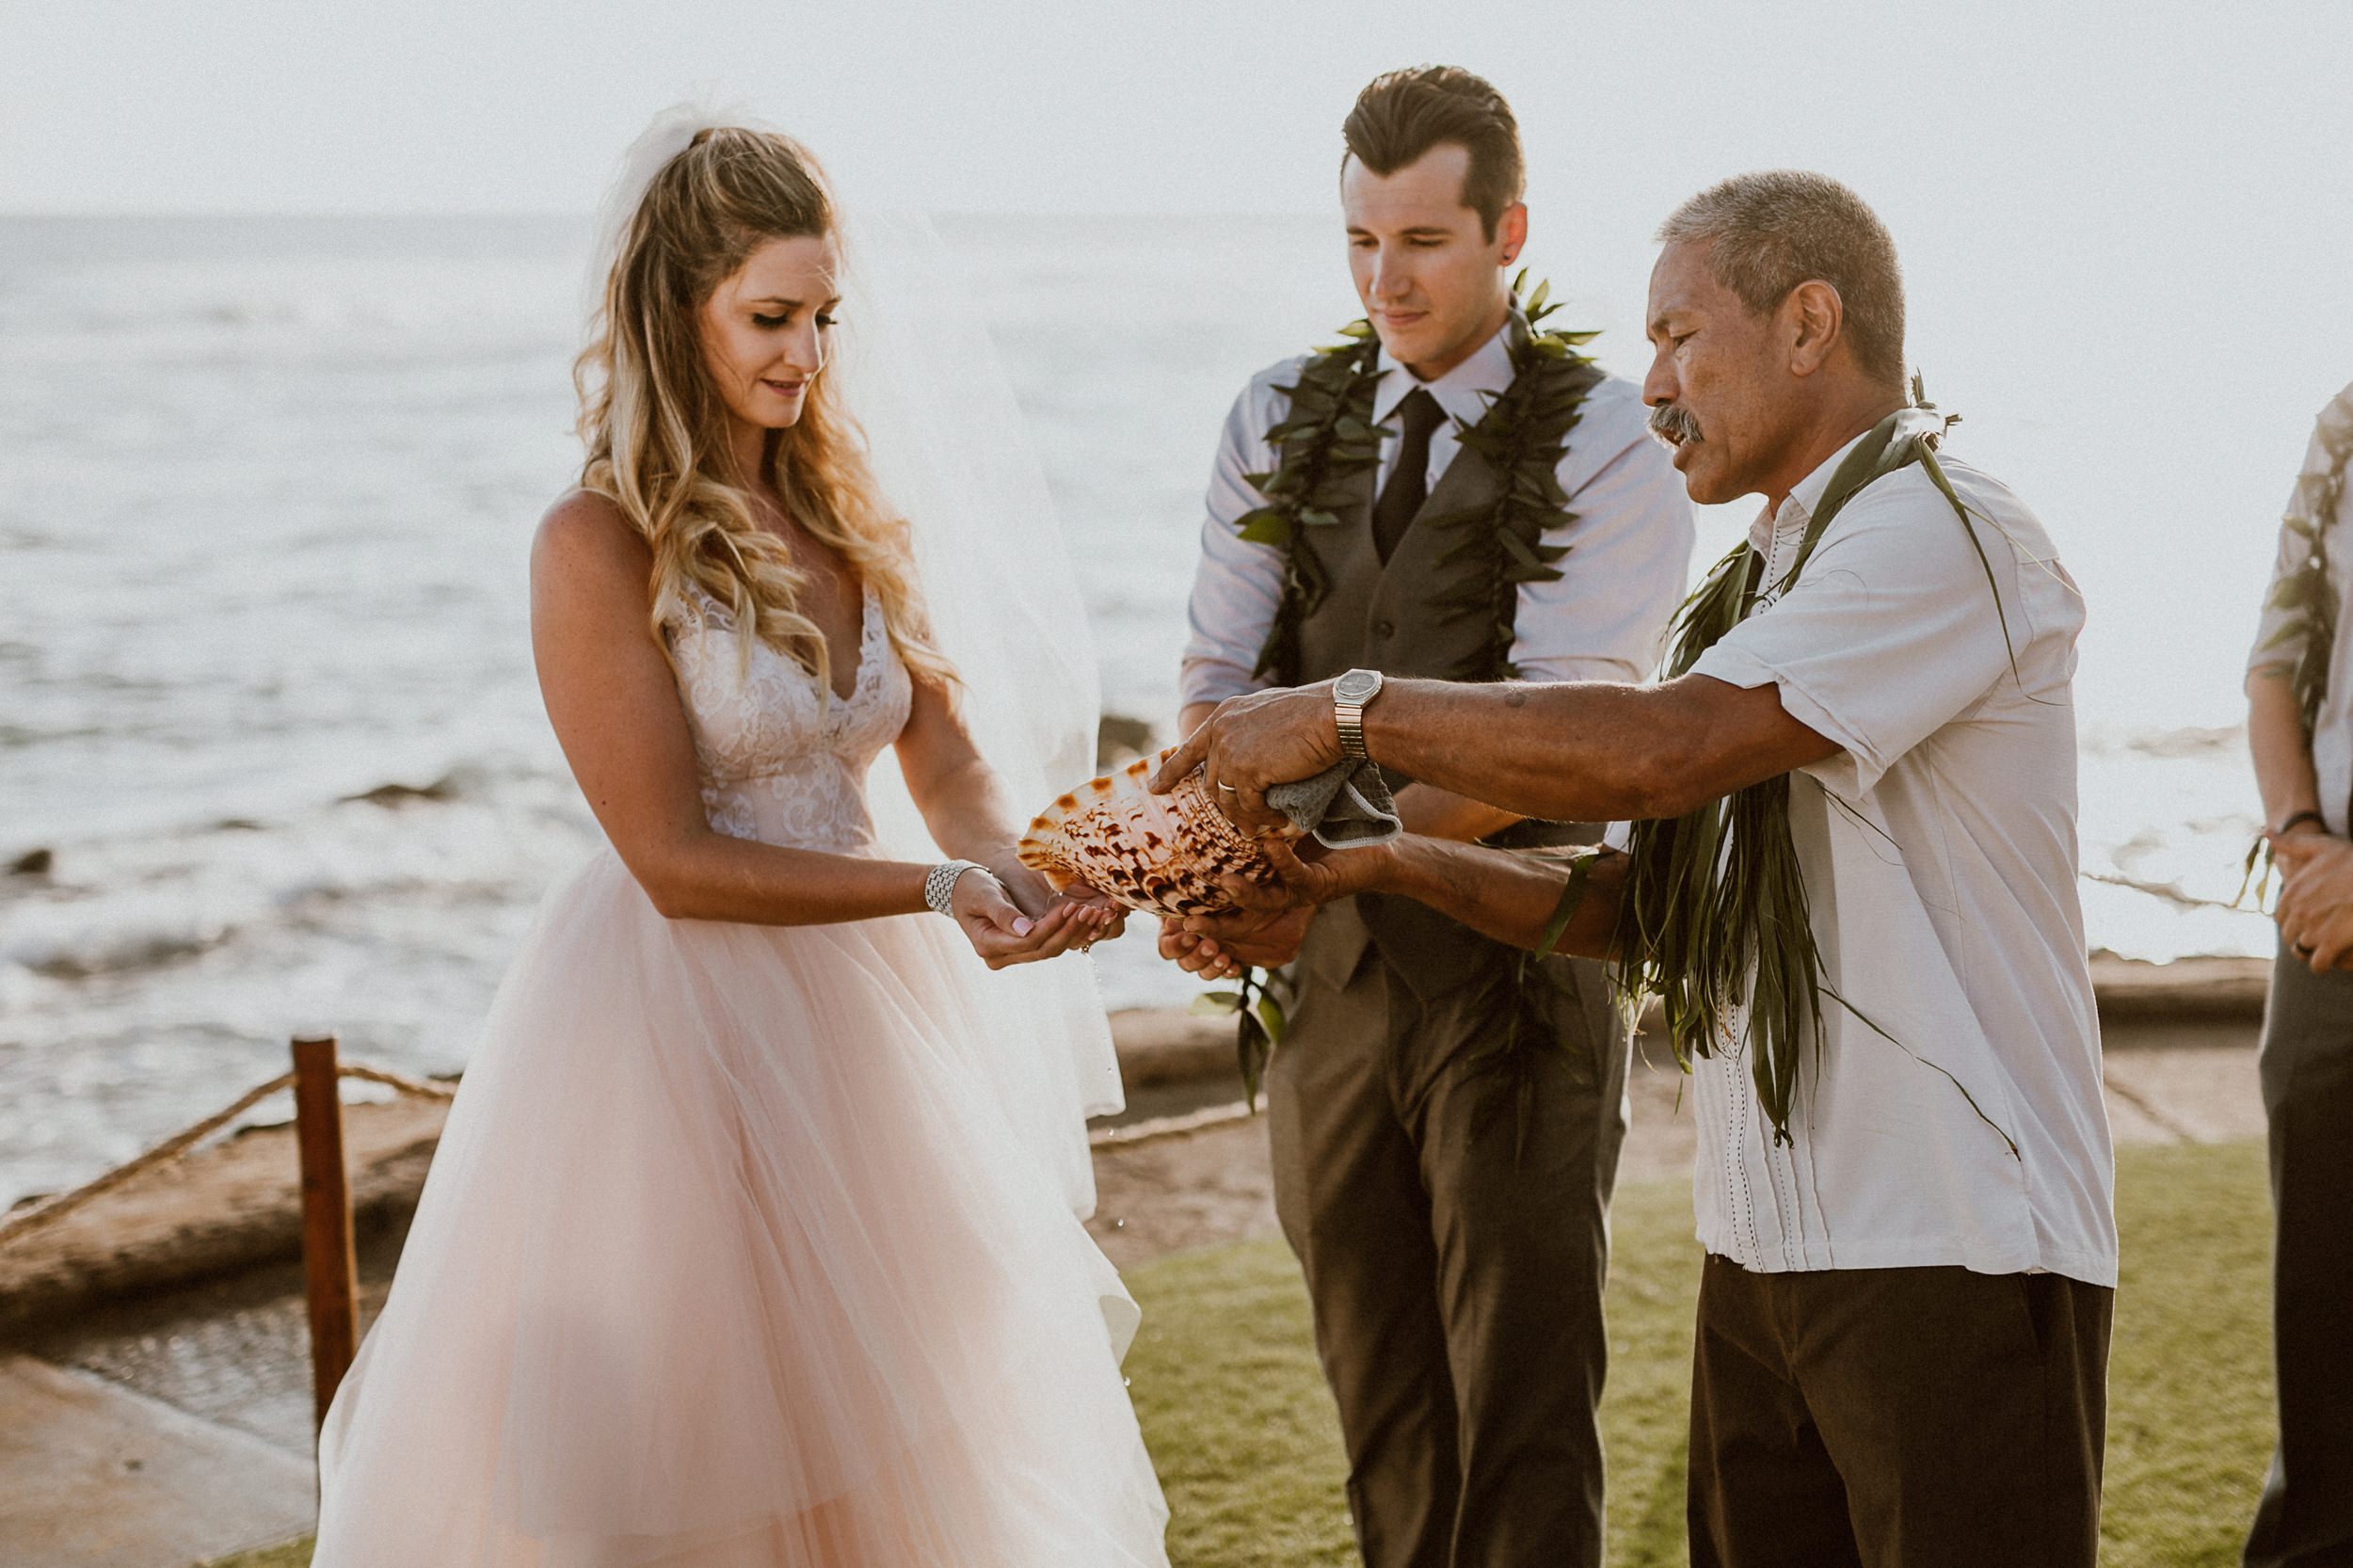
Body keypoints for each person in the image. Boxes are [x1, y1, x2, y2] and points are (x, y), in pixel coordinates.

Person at [1162, 170, 2116, 1568]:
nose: (1653, 386)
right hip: (1766, 1254)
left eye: (1679, 338)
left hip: (1950, 1239)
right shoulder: (1762, 588)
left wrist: (1346, 709)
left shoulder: (1938, 528)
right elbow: (1636, 903)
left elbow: (1663, 753)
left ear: (1808, 324)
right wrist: (1369, 862)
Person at [309, 114, 1170, 1567]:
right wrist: (938, 884)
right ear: (676, 310)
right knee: (708, 1446)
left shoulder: (847, 511)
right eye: (771, 318)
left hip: (871, 1028)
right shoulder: (597, 543)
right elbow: (670, 858)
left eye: (825, 317)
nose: (807, 355)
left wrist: (1027, 875)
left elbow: (945, 752)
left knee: (907, 1440)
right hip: (674, 1039)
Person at [1167, 64, 1691, 1568]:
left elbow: (1564, 730)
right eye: (1360, 240)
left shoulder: (1611, 437)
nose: (1384, 279)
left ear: (1507, 231)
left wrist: (1308, 857)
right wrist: (1213, 872)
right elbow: (1214, 683)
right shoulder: (1275, 413)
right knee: (1381, 1409)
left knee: (1522, 1410)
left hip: (1519, 975)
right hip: (1324, 992)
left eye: (1422, 242)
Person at [2242, 382, 2353, 1568]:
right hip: (2327, 931)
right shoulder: (2345, 421)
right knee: (2322, 1355)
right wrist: (2306, 840)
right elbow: (2275, 664)